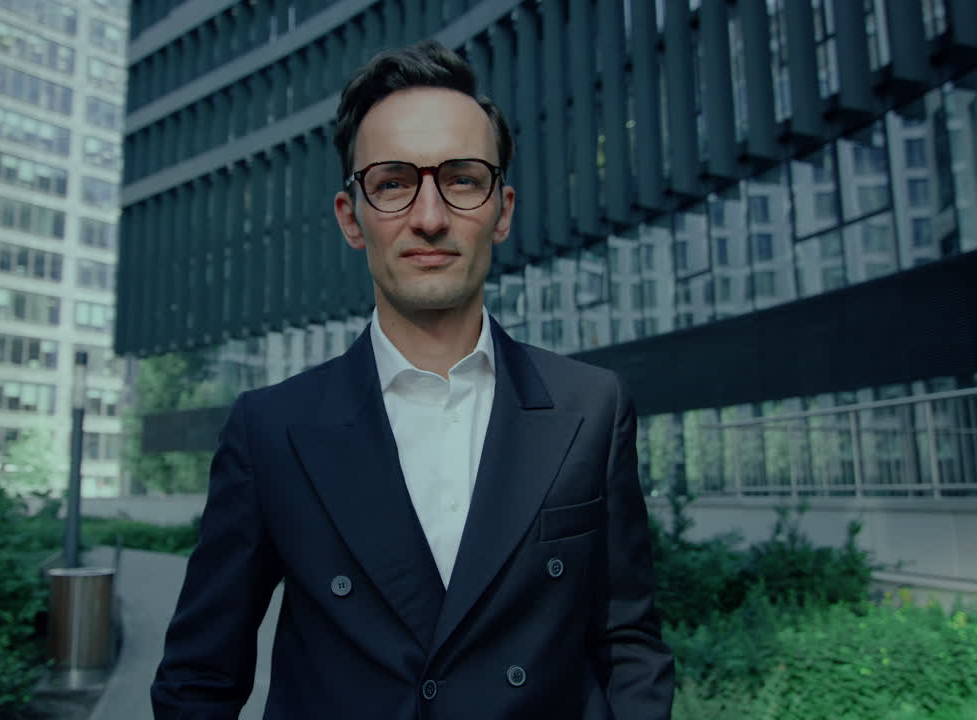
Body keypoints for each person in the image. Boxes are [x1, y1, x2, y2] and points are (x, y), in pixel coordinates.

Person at [151, 40, 675, 719]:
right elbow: (199, 679)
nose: (429, 217)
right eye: (394, 182)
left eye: (461, 178)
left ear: (503, 209)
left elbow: (628, 641)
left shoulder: (591, 410)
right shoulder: (271, 430)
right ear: (352, 217)